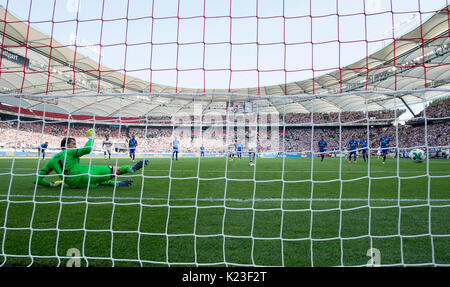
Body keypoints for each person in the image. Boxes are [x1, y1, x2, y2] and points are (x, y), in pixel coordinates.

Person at [33, 129, 148, 189]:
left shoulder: (52, 160)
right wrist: (92, 136)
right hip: (83, 173)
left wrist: (52, 184)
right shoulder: (69, 151)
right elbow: (87, 149)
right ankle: (131, 169)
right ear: (67, 145)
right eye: (73, 144)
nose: (75, 146)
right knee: (113, 169)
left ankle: (115, 184)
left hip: (73, 185)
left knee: (96, 181)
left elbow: (36, 180)